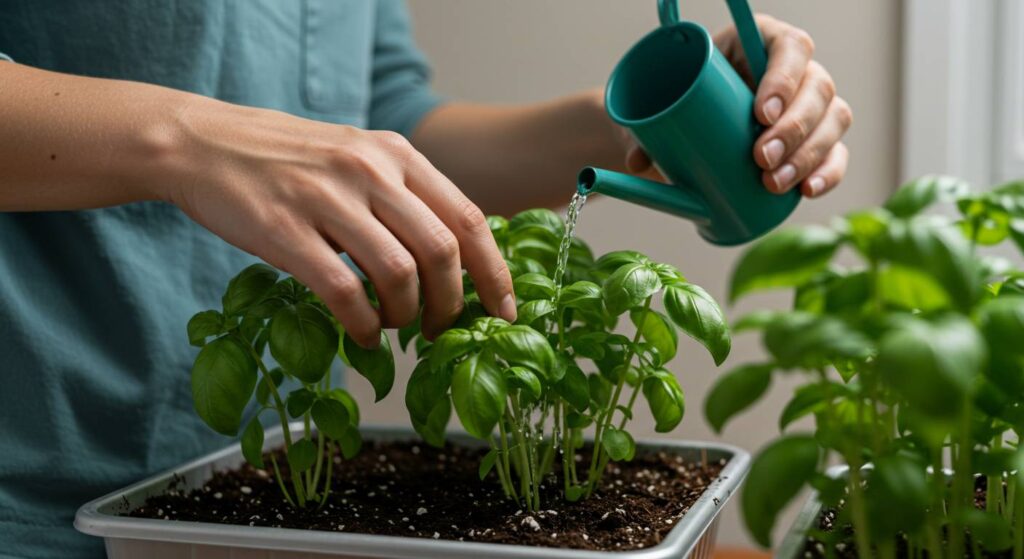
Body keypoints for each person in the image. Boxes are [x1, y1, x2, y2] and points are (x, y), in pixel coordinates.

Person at [0, 2, 851, 557]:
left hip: (272, 501)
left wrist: (663, 124)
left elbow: (387, 119)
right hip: (33, 483)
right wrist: (184, 139)